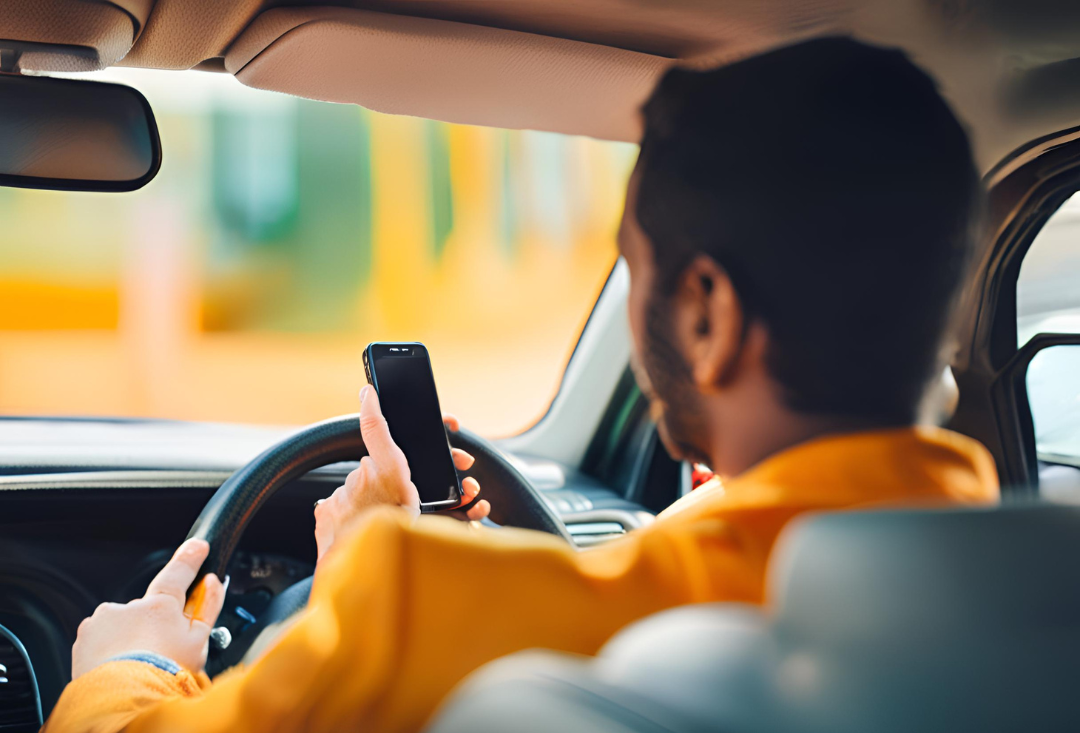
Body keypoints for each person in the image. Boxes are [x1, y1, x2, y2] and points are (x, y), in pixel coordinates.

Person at [44, 36, 998, 733]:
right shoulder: (1023, 598)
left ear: (707, 314)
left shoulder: (427, 613)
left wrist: (129, 665)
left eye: (637, 271)